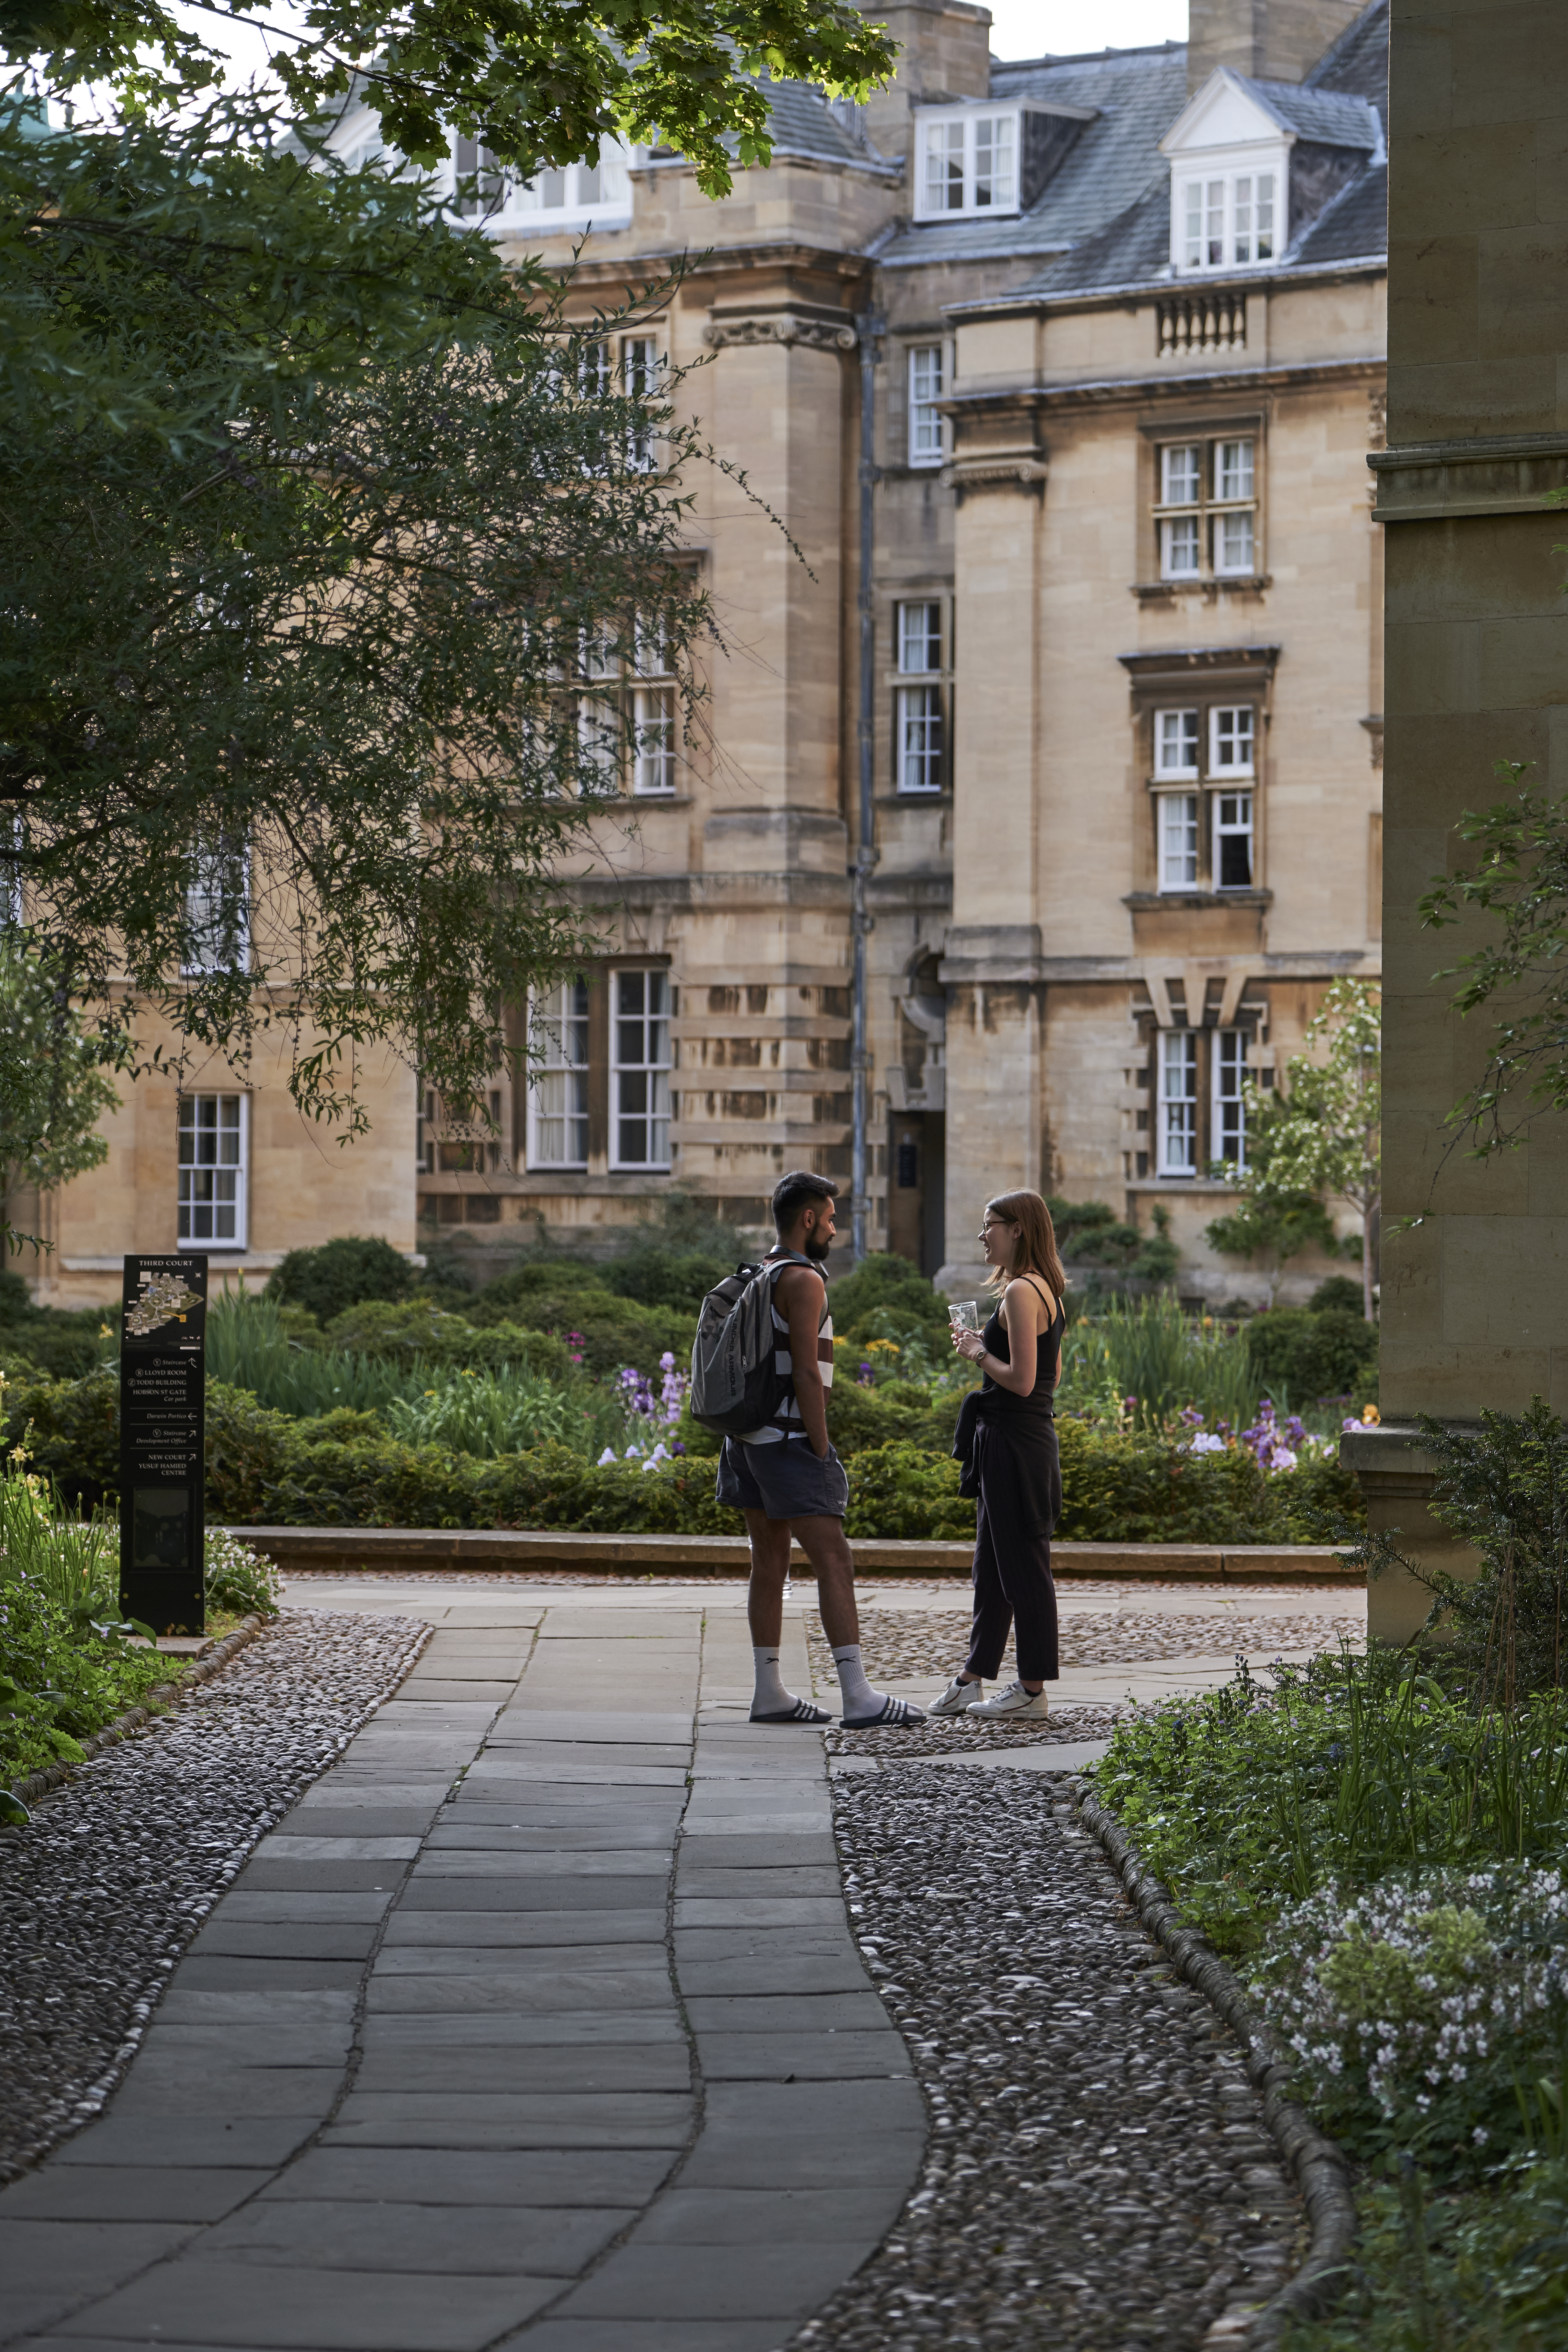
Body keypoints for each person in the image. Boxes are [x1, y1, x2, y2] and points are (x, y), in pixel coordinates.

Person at [717, 1170, 924, 1729]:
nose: (835, 1228)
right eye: (830, 1219)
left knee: (770, 1561)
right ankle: (858, 1695)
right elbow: (808, 1373)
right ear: (807, 1219)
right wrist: (821, 1444)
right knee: (834, 1557)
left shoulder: (760, 1271)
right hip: (787, 1441)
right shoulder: (804, 1279)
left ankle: (770, 1692)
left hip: (745, 1440)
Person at [932, 1190, 1067, 1723]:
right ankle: (972, 1677)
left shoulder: (1021, 1292)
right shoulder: (1039, 1289)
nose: (983, 1236)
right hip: (1011, 1441)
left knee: (1025, 1572)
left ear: (1018, 1229)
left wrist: (977, 1352)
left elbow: (1024, 1381)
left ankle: (1032, 1690)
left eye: (989, 1226)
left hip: (1017, 1445)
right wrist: (983, 1351)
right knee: (991, 1569)